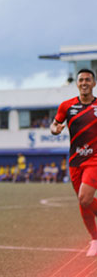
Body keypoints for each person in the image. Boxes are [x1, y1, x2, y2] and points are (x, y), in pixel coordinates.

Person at [51, 68, 97, 257]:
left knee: (84, 198)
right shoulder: (66, 106)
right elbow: (54, 124)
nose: (84, 82)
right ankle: (94, 239)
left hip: (94, 159)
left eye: (88, 79)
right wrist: (55, 129)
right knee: (82, 202)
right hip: (75, 160)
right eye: (81, 80)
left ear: (93, 83)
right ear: (77, 83)